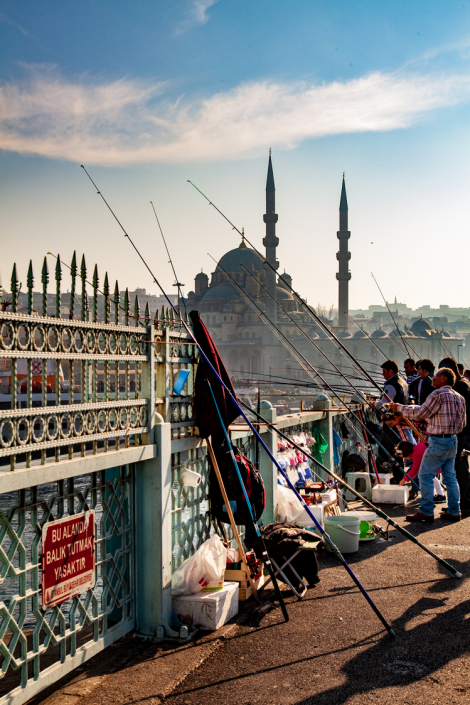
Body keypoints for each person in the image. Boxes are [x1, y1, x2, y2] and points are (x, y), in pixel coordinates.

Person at [390, 367, 465, 522]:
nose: (433, 377)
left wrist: (399, 408)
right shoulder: (459, 397)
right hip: (453, 441)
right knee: (450, 478)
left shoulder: (437, 394)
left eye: (437, 375)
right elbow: (463, 423)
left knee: (425, 475)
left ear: (444, 379)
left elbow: (421, 413)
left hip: (438, 441)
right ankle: (454, 511)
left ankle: (426, 511)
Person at [438, 358, 470, 517]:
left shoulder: (461, 386)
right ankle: (458, 504)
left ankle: (465, 505)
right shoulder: (464, 383)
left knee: (461, 471)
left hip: (462, 435)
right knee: (457, 471)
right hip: (463, 434)